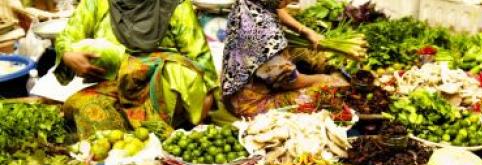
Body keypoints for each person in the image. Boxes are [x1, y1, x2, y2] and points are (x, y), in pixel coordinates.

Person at [55, 0, 218, 140]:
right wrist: (68, 55)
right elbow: (67, 37)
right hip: (114, 87)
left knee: (155, 130)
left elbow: (199, 56)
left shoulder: (175, 4)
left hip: (159, 89)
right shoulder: (98, 3)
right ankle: (113, 158)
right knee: (83, 107)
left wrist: (206, 96)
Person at [221, 0, 348, 118]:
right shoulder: (266, 34)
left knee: (309, 54)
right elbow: (291, 82)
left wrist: (304, 30)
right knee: (330, 92)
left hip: (235, 83)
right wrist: (326, 79)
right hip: (248, 103)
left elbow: (278, 10)